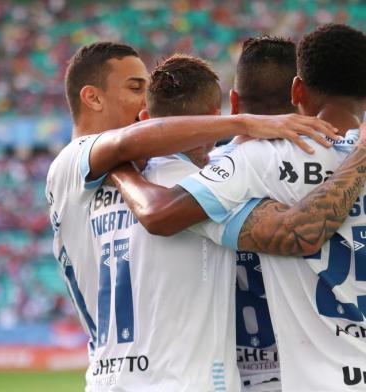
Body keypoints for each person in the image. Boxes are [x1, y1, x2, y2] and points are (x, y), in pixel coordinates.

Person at [45, 41, 337, 390]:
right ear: (92, 97)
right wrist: (245, 124)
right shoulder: (85, 163)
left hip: (108, 378)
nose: (142, 99)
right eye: (136, 87)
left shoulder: (114, 177)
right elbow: (133, 160)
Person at [109, 24, 366, 391]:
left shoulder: (243, 162)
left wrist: (117, 164)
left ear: (299, 92)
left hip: (254, 373)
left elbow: (160, 214)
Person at [232, 36, 297, 392]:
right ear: (303, 95)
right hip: (314, 368)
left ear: (233, 102)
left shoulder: (199, 176)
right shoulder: (343, 167)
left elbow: (158, 217)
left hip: (227, 373)